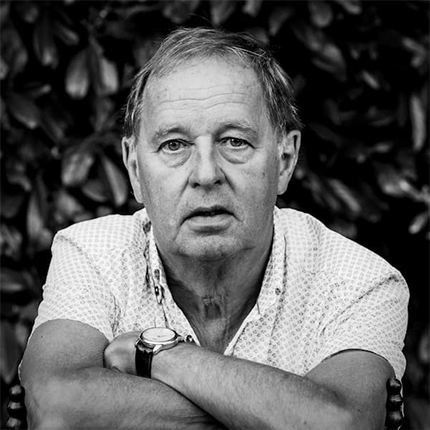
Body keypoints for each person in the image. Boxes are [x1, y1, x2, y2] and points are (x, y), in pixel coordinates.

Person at [20, 27, 409, 430]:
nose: (206, 174)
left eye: (235, 141)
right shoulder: (92, 253)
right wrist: (274, 413)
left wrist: (160, 356)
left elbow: (341, 424)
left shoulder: (358, 279)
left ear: (285, 159)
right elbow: (57, 406)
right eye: (174, 144)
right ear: (135, 169)